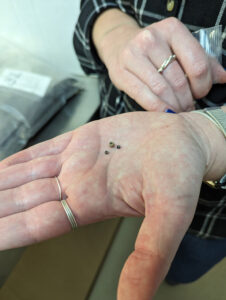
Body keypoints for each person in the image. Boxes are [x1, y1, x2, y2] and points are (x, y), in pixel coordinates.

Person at [0, 2, 225, 300]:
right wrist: (114, 31)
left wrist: (210, 133)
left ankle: (178, 275)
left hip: (214, 216)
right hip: (110, 151)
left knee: (186, 261)